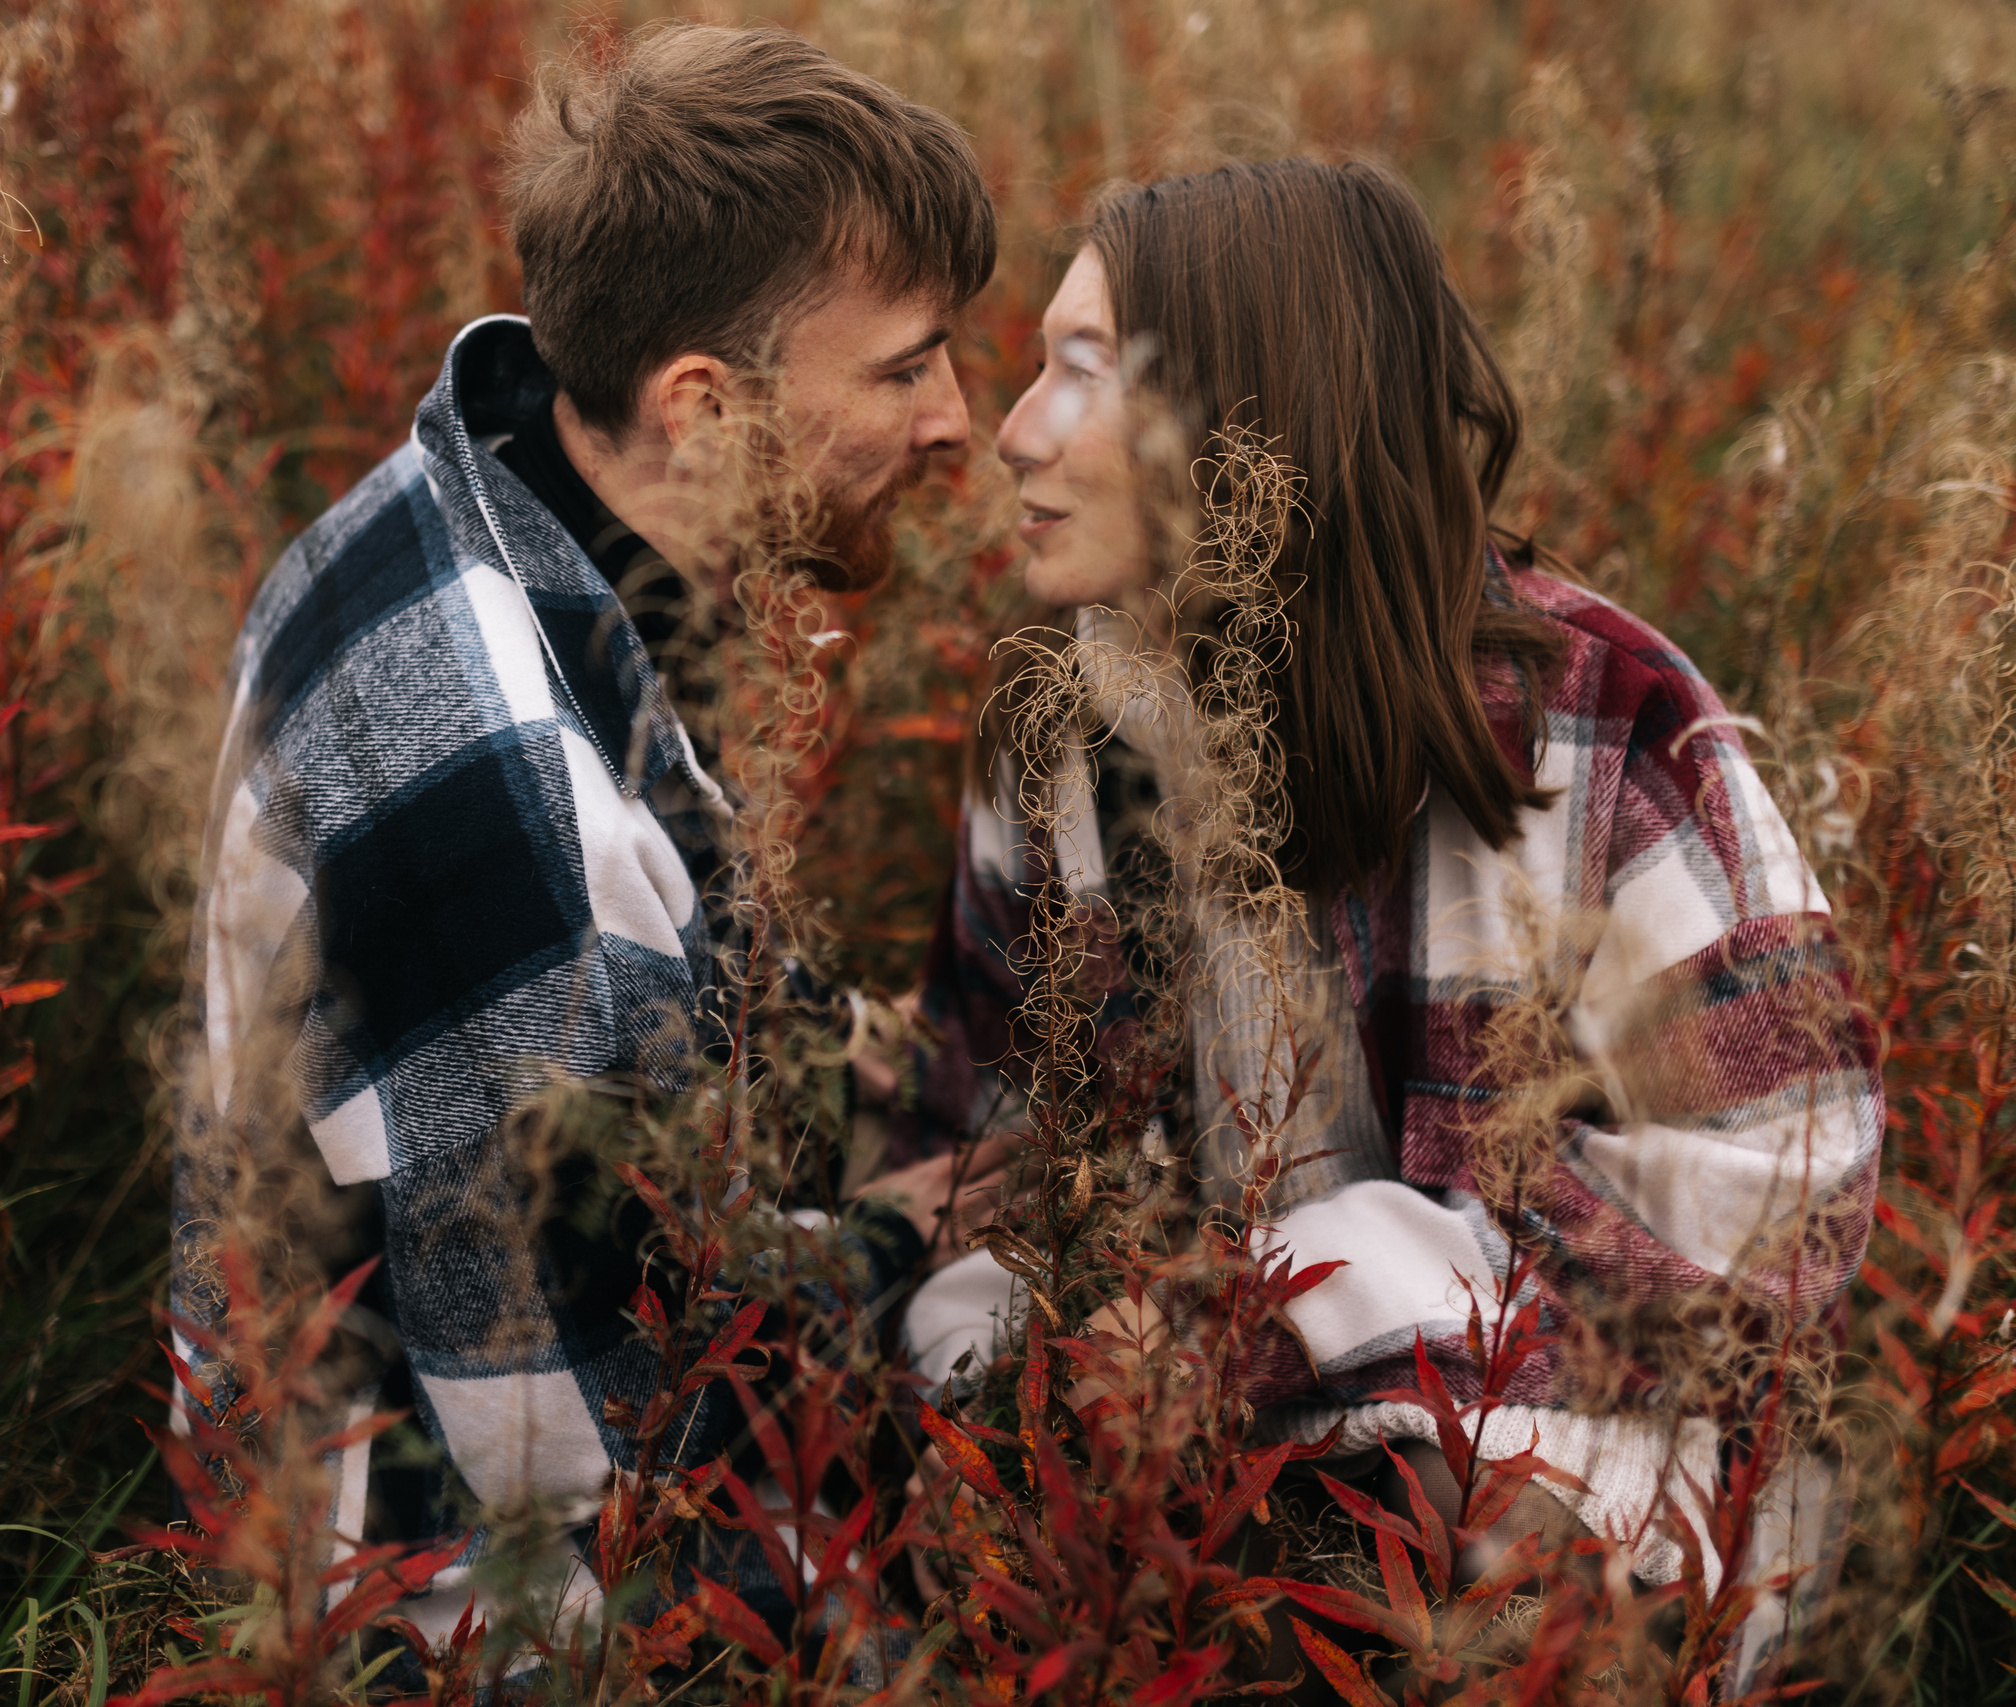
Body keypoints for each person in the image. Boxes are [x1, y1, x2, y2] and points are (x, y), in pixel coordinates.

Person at [905, 159, 1879, 1666]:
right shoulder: (1060, 751)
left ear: (1245, 428)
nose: (1014, 431)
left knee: (1426, 1559)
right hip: (1170, 1478)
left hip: (1578, 1473)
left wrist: (1283, 1309)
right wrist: (1036, 1372)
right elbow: (972, 1161)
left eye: (1078, 373)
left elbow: (1782, 1220)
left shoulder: (1600, 726)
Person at [170, 22, 1004, 1636]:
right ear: (702, 404)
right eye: (907, 367)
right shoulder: (512, 791)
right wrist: (908, 1232)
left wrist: (861, 1064)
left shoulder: (496, 478)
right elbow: (572, 1427)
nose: (961, 420)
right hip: (424, 1585)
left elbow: (646, 1037)